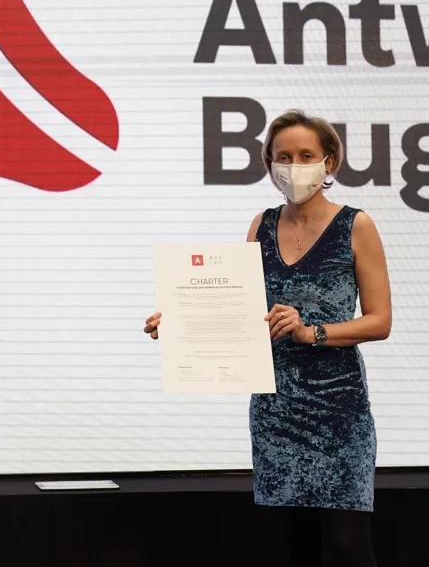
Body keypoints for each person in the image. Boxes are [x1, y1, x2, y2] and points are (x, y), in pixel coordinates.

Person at [144, 110, 392, 567]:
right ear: (269, 165)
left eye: (306, 155)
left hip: (338, 409)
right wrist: (180, 328)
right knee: (292, 548)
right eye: (283, 157)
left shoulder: (356, 226)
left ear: (330, 162)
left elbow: (379, 321)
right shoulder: (261, 224)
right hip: (276, 410)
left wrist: (311, 331)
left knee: (348, 547)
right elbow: (236, 309)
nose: (294, 166)